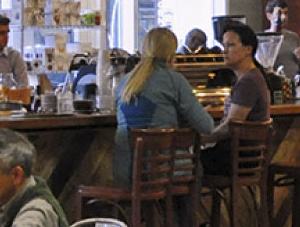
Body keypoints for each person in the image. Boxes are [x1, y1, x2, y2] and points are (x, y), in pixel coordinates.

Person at [113, 27, 216, 185]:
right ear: (171, 54)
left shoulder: (124, 82)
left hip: (125, 173)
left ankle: (158, 209)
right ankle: (179, 211)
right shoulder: (174, 80)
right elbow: (207, 126)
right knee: (196, 168)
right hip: (160, 170)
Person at [201, 22, 272, 175]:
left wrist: (202, 139)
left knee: (184, 165)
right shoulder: (250, 78)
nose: (224, 51)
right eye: (224, 46)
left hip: (239, 157)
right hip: (245, 156)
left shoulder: (248, 82)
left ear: (248, 49)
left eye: (231, 45)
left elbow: (231, 127)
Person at [265, 0, 300, 84]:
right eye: (279, 13)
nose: (283, 17)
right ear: (269, 16)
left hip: (294, 84)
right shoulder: (264, 39)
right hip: (276, 85)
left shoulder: (294, 37)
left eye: (286, 13)